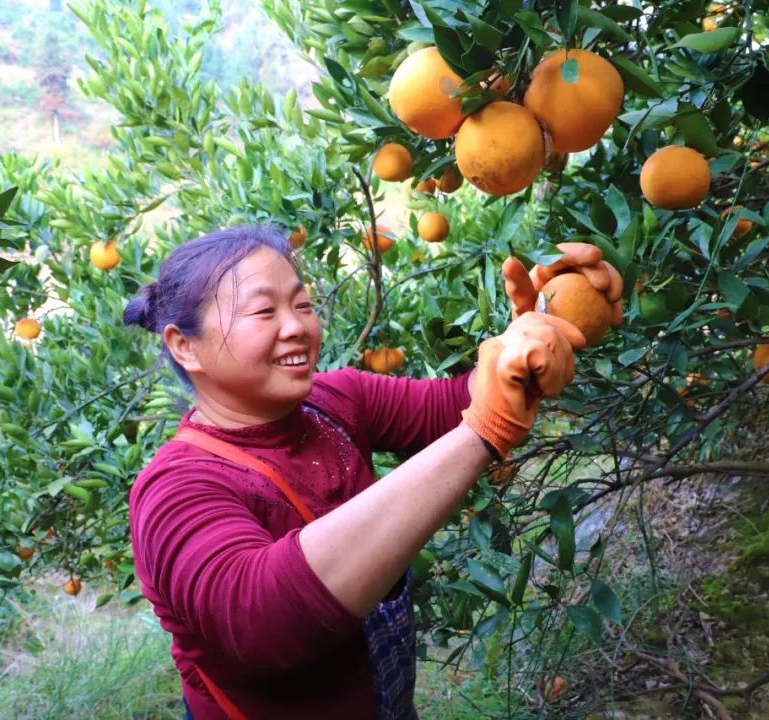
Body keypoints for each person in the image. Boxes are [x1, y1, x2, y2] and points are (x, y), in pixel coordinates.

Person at [122, 225, 611, 719]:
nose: (296, 326)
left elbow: (462, 401)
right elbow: (265, 619)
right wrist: (485, 429)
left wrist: (540, 322)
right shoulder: (175, 489)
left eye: (303, 305)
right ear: (184, 346)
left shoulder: (335, 401)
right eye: (264, 311)